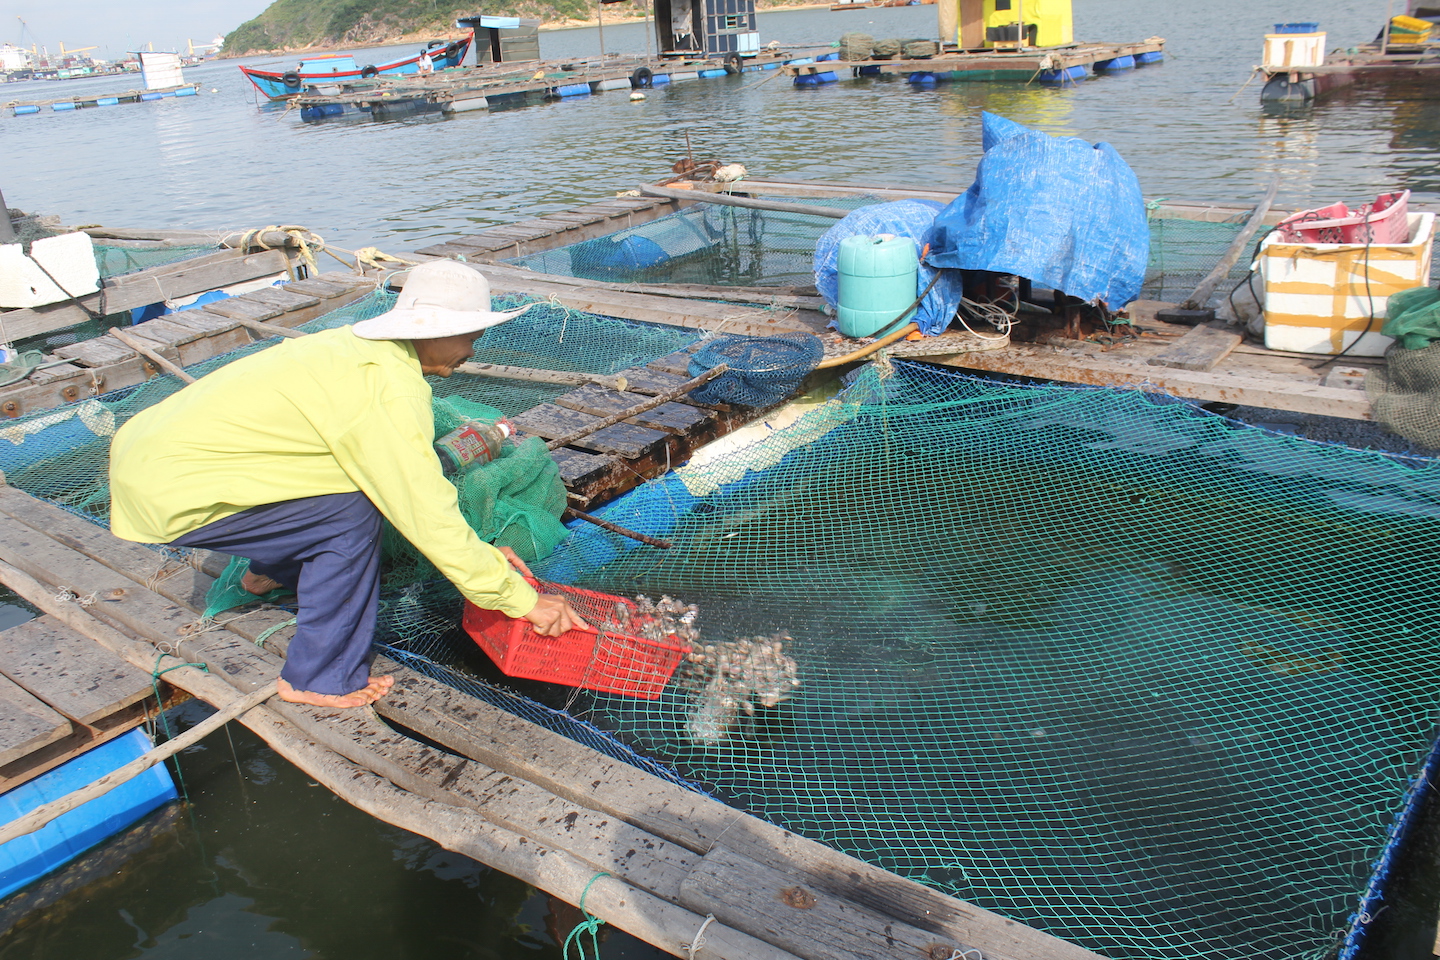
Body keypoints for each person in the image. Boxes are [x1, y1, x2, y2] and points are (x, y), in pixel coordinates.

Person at [108, 261, 587, 709]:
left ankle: (269, 572)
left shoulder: (350, 348)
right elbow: (426, 513)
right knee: (350, 517)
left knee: (349, 491)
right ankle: (319, 678)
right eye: (472, 334)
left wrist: (481, 557)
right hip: (171, 490)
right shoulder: (389, 390)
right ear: (438, 329)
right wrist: (521, 600)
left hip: (151, 461)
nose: (473, 350)